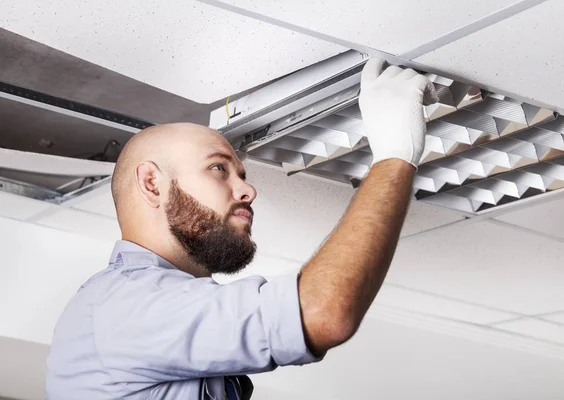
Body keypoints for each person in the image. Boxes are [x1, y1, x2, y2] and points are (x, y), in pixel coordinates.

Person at [45, 58, 438, 399]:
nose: (248, 189)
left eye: (241, 173)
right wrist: (394, 157)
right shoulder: (125, 305)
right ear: (152, 183)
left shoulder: (141, 307)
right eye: (218, 168)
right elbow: (320, 313)